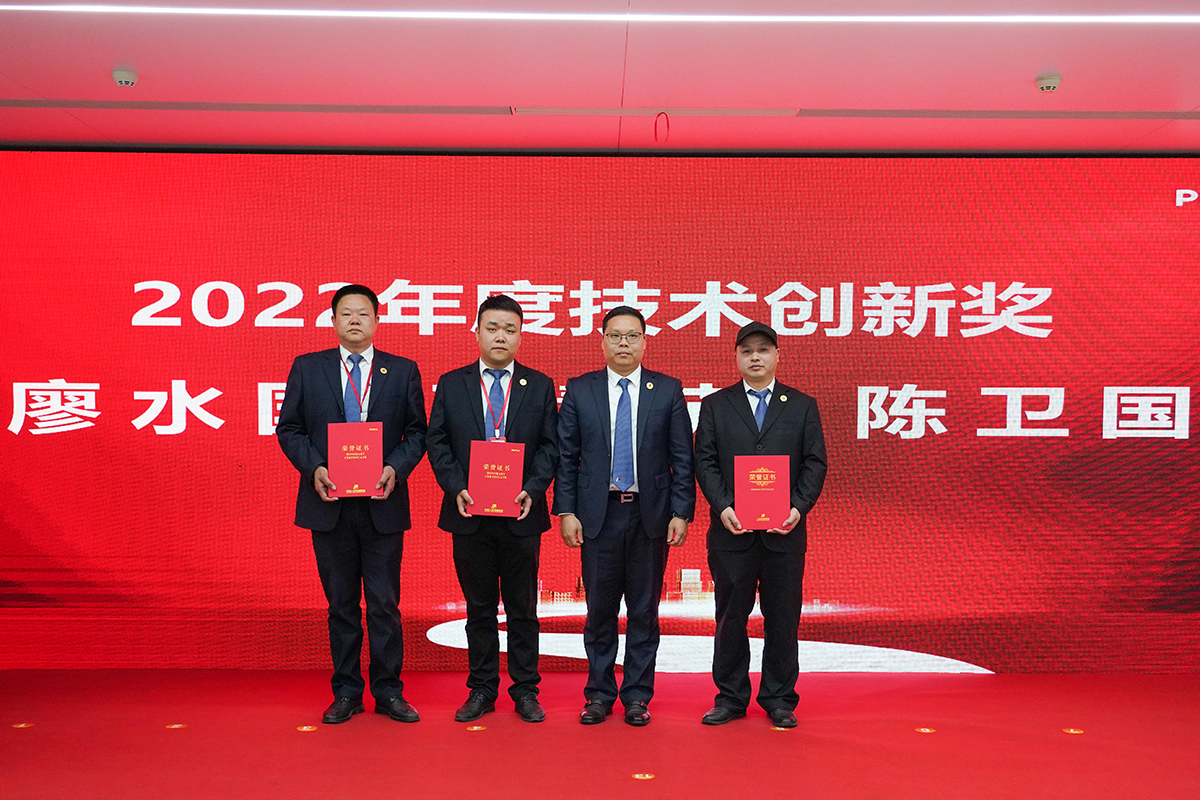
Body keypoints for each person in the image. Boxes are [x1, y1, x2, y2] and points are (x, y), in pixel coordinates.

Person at [276, 284, 427, 725]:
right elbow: (289, 429)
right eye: (346, 313)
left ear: (377, 321)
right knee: (341, 605)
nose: (355, 320)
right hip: (329, 503)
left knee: (384, 604)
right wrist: (315, 467)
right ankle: (346, 692)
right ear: (333, 321)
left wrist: (395, 468)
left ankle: (389, 692)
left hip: (382, 502)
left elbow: (418, 432)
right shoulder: (308, 368)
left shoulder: (402, 371)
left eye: (363, 313)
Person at [554, 305, 695, 726]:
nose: (623, 343)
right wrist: (566, 510)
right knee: (599, 610)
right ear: (602, 341)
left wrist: (681, 511)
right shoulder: (581, 390)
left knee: (643, 611)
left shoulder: (667, 390)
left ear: (644, 342)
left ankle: (637, 696)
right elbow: (566, 458)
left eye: (632, 336)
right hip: (598, 516)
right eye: (615, 335)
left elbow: (682, 458)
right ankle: (599, 694)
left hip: (650, 516)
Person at [426, 294, 558, 724]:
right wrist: (456, 487)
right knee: (479, 607)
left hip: (521, 513)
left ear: (521, 336)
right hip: (469, 513)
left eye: (510, 329)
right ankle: (482, 688)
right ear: (477, 332)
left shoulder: (539, 385)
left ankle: (525, 690)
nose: (501, 336)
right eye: (493, 328)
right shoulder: (452, 383)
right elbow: (437, 441)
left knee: (523, 609)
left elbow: (550, 446)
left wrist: (533, 489)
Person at [693, 321, 827, 728]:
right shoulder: (716, 405)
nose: (755, 357)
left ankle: (779, 698)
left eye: (763, 350)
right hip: (732, 532)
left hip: (784, 534)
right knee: (730, 618)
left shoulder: (802, 405)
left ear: (777, 356)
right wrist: (723, 506)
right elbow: (705, 461)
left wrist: (798, 508)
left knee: (782, 619)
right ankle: (730, 698)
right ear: (736, 357)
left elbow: (815, 463)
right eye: (747, 350)